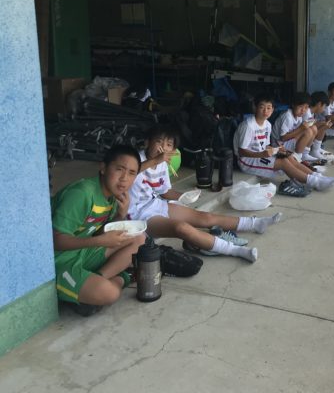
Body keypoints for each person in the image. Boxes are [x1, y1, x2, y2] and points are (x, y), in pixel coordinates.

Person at [128, 125, 277, 262]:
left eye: (168, 144)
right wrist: (155, 161)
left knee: (206, 217)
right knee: (181, 228)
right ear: (147, 142)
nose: (163, 147)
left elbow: (165, 191)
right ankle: (235, 250)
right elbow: (130, 172)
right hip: (137, 214)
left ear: (173, 149)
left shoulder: (162, 164)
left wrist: (184, 196)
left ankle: (255, 223)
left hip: (155, 205)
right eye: (159, 141)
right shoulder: (136, 159)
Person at [52, 145, 147, 316]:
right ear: (103, 168)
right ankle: (122, 277)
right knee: (110, 293)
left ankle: (98, 279)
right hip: (58, 262)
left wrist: (120, 215)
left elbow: (100, 231)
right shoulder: (82, 194)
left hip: (82, 252)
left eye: (132, 173)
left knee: (139, 238)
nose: (124, 178)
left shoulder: (112, 197)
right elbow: (56, 241)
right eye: (119, 169)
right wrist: (99, 241)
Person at [235, 93, 334, 192]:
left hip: (260, 155)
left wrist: (277, 149)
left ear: (272, 109)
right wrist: (262, 154)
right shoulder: (248, 126)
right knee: (283, 162)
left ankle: (317, 176)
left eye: (269, 108)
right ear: (255, 107)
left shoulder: (267, 124)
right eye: (262, 107)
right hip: (247, 160)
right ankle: (315, 182)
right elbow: (241, 152)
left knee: (288, 157)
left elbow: (265, 146)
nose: (265, 111)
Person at [271, 92, 317, 162]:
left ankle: (305, 154)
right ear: (293, 105)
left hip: (287, 140)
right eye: (300, 106)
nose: (303, 110)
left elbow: (297, 131)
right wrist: (300, 129)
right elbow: (283, 138)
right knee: (308, 131)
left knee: (313, 128)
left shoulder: (298, 116)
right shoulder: (287, 116)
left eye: (306, 107)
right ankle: (298, 157)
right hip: (278, 144)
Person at [301, 91, 334, 160]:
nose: (324, 109)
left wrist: (323, 124)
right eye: (324, 106)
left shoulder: (312, 112)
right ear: (319, 104)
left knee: (323, 125)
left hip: (304, 135)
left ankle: (317, 149)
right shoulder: (307, 112)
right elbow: (308, 129)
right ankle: (307, 153)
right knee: (318, 127)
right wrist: (323, 124)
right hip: (300, 137)